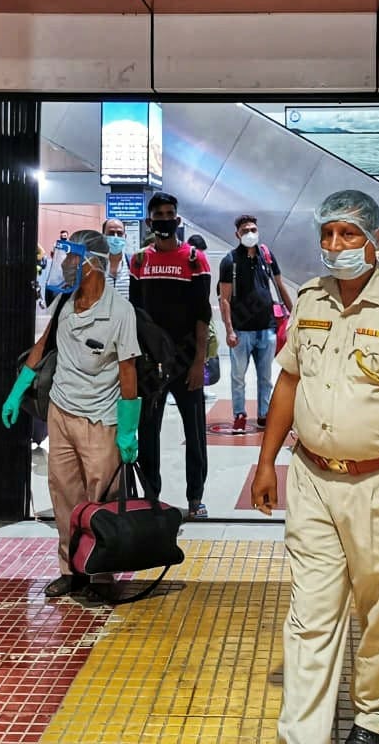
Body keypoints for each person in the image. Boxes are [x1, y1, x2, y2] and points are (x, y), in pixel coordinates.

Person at [251, 189, 379, 744]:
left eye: (348, 235)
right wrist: (266, 461)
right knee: (310, 612)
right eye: (327, 234)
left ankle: (373, 720)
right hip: (314, 478)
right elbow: (289, 382)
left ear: (376, 241)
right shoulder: (310, 301)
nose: (335, 245)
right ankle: (304, 734)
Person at [4, 230, 141, 599]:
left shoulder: (120, 312)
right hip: (61, 414)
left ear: (92, 264)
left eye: (71, 258)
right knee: (64, 496)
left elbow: (128, 372)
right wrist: (17, 392)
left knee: (103, 499)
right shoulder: (65, 302)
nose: (64, 265)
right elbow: (42, 346)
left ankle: (101, 573)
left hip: (101, 420)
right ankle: (70, 570)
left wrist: (128, 430)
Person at [130, 193, 212, 519]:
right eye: (159, 214)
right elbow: (135, 316)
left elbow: (203, 317)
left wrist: (198, 363)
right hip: (150, 363)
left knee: (195, 433)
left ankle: (196, 498)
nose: (165, 219)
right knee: (148, 431)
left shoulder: (195, 260)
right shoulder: (139, 262)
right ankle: (151, 498)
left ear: (177, 219)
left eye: (170, 214)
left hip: (185, 361)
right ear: (150, 221)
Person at [218, 215, 291, 432]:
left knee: (266, 376)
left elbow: (280, 285)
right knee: (238, 377)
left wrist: (294, 314)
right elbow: (224, 299)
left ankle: (264, 414)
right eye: (245, 230)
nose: (250, 234)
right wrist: (229, 330)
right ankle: (239, 414)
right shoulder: (229, 261)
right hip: (241, 331)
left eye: (253, 229)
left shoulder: (266, 257)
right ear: (237, 235)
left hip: (267, 327)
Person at [102, 219, 131, 299]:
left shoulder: (133, 264)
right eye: (111, 233)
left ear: (125, 236)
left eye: (119, 233)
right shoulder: (94, 266)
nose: (115, 237)